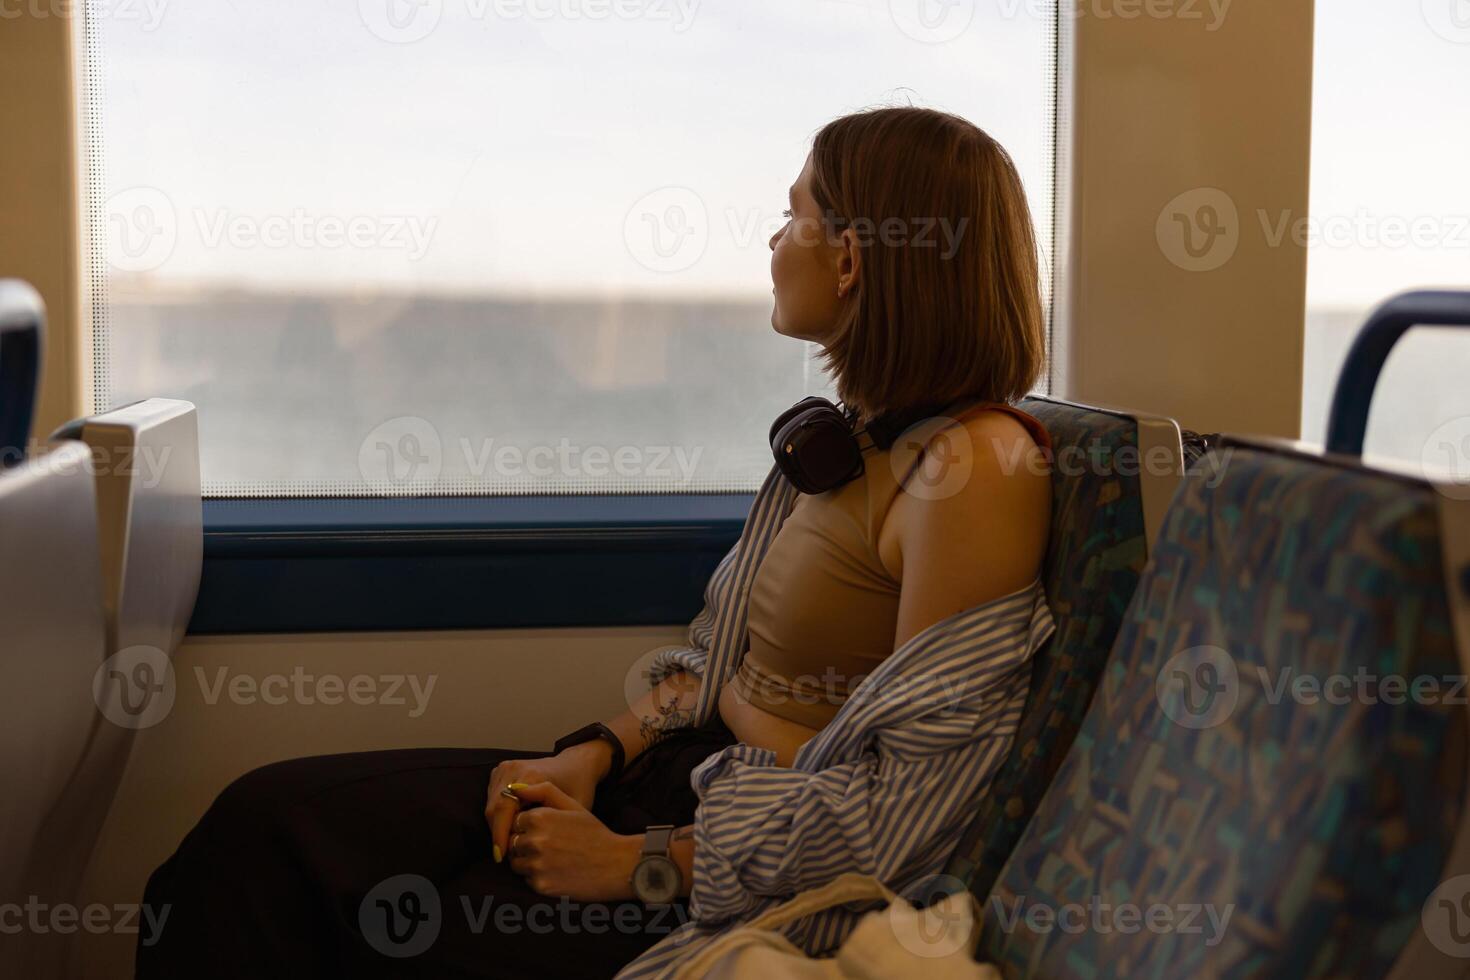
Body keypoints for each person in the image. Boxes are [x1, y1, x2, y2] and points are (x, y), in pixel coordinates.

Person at [136, 105, 1055, 979]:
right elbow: (719, 664)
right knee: (259, 829)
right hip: (666, 787)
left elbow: (918, 801)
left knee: (290, 894)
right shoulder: (847, 441)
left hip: (733, 868)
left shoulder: (973, 471)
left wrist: (641, 862)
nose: (774, 245)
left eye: (792, 217)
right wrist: (592, 753)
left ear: (852, 260)